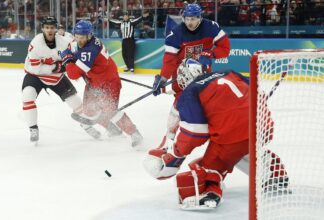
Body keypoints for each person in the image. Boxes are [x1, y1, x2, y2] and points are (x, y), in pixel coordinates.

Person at [143, 59, 289, 210]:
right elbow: (257, 91)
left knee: (208, 167)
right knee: (243, 149)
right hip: (263, 125)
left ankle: (208, 194)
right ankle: (274, 174)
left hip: (234, 135)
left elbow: (194, 133)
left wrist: (175, 156)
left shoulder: (190, 92)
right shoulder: (228, 72)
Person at [152, 3, 231, 148]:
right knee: (179, 104)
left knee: (208, 103)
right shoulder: (175, 34)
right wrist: (163, 78)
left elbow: (225, 48)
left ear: (200, 18)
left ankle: (218, 135)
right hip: (181, 74)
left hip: (203, 74)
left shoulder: (211, 27)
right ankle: (168, 139)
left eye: (193, 19)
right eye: (187, 19)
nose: (190, 22)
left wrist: (211, 53)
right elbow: (169, 60)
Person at [61, 20, 143, 147]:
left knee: (110, 110)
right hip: (94, 82)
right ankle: (113, 130)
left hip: (108, 83)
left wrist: (67, 60)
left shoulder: (91, 49)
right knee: (90, 111)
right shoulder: (79, 42)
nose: (78, 40)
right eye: (76, 36)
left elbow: (73, 74)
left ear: (89, 35)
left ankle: (134, 133)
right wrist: (69, 56)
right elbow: (71, 50)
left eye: (81, 37)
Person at [22, 16, 100, 144]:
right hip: (35, 77)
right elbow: (36, 69)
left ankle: (86, 125)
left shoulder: (65, 42)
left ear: (56, 29)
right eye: (46, 28)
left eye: (52, 27)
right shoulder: (35, 44)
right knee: (27, 96)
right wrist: (57, 67)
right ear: (42, 29)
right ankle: (33, 128)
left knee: (76, 103)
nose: (49, 30)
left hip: (57, 78)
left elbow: (78, 56)